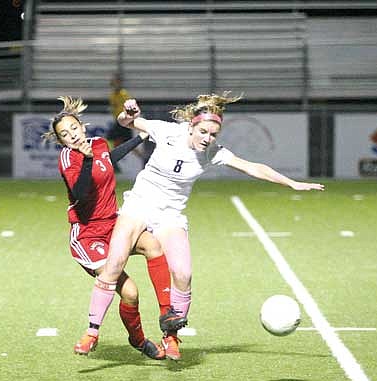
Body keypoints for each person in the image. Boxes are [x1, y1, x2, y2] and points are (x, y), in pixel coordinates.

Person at [88, 92, 325, 360]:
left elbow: (252, 167)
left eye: (213, 134)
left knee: (183, 274)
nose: (207, 139)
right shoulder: (167, 131)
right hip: (139, 205)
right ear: (191, 126)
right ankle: (92, 332)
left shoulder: (213, 153)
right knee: (115, 262)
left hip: (170, 215)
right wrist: (127, 114)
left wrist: (291, 183)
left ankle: (172, 337)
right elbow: (127, 123)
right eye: (203, 132)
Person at [43, 96, 185, 359]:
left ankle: (168, 315)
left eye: (74, 128)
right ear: (61, 141)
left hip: (113, 224)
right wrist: (85, 160)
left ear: (82, 127)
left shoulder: (98, 145)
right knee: (130, 293)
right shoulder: (68, 158)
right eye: (64, 134)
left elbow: (108, 159)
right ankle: (137, 341)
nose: (71, 135)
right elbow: (81, 191)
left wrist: (141, 137)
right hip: (87, 235)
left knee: (153, 246)